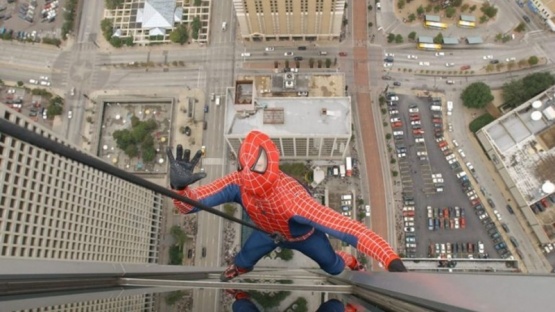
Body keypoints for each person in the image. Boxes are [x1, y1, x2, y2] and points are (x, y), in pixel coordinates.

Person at [167, 130, 406, 281]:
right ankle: (238, 270)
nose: (249, 175)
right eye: (245, 166)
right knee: (244, 258)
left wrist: (390, 259)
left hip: (304, 237)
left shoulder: (293, 198)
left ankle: (349, 262)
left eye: (256, 165)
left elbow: (349, 229)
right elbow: (190, 205)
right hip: (268, 233)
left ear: (271, 160)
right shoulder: (239, 182)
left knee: (332, 265)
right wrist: (179, 189)